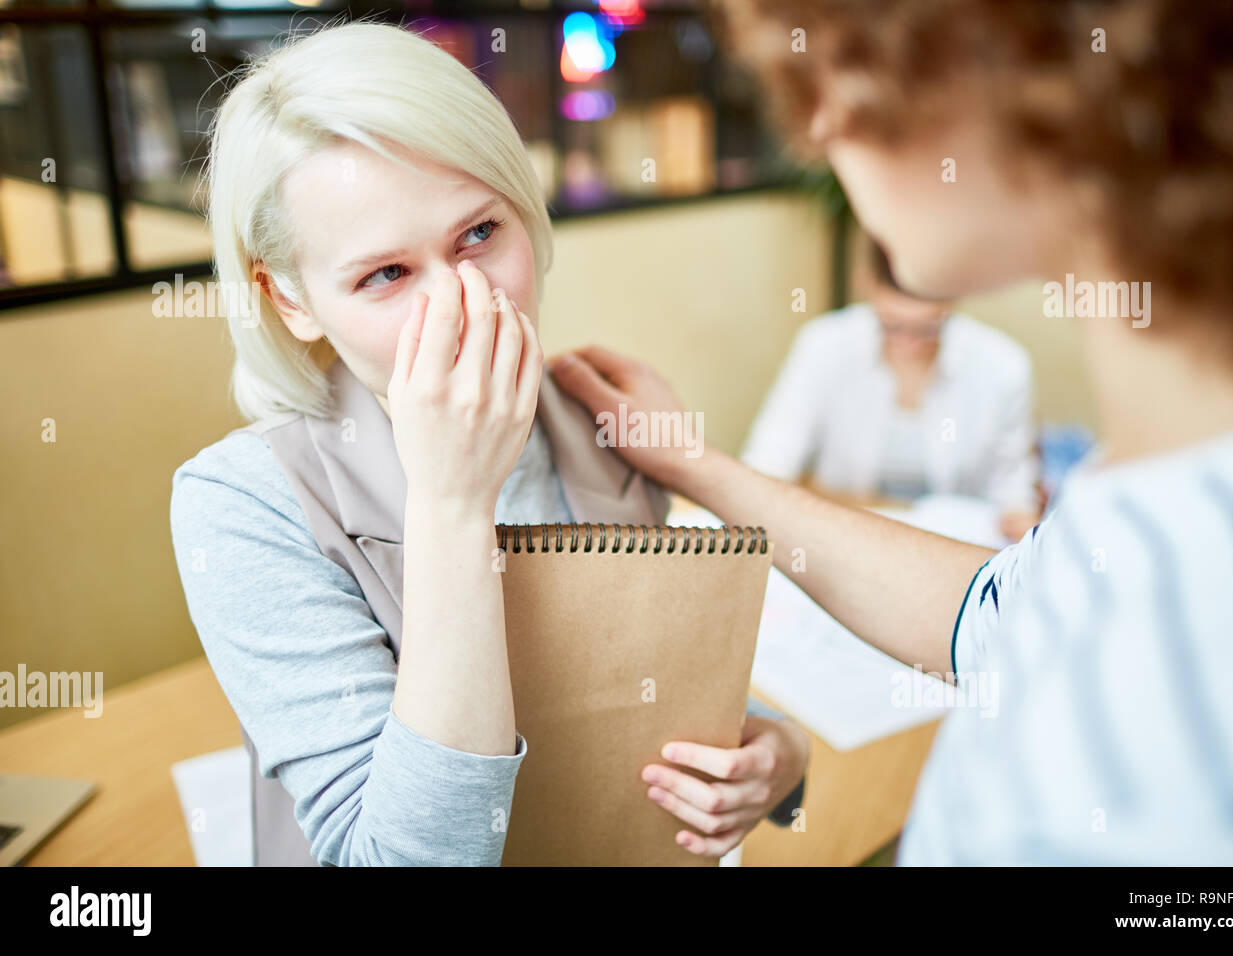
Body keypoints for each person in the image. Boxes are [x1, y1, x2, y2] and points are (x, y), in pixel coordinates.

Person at [551, 0, 1233, 864]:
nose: (820, 131)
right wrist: (694, 466)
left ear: (1033, 62)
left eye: (844, 73)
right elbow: (990, 614)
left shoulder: (1194, 632)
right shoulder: (1178, 488)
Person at [169, 21, 808, 867]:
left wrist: (776, 758)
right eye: (386, 276)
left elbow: (652, 691)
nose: (463, 302)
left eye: (479, 234)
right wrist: (452, 502)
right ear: (287, 299)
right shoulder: (241, 503)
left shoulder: (602, 418)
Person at [742, 240, 1041, 538]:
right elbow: (768, 463)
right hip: (847, 535)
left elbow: (1013, 491)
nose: (909, 344)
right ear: (868, 286)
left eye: (927, 328)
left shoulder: (1003, 365)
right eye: (893, 325)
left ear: (955, 299)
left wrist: (1019, 517)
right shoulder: (824, 345)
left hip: (953, 546)